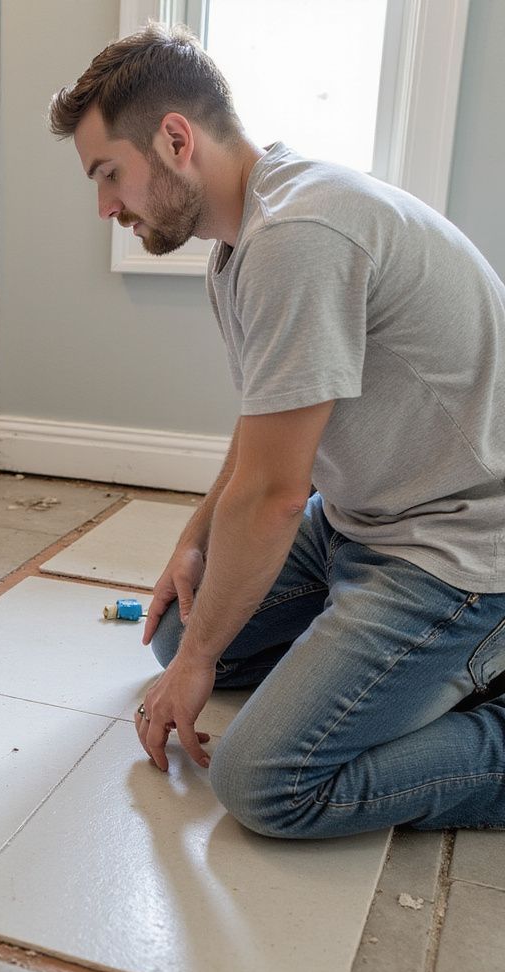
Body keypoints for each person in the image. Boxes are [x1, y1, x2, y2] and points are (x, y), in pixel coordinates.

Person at [48, 22, 505, 839]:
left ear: (175, 139)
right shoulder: (244, 242)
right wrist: (194, 543)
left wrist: (197, 666)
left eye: (109, 173)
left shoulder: (299, 236)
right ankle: (395, 660)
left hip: (460, 553)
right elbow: (267, 432)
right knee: (183, 630)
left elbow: (273, 496)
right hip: (366, 520)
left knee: (267, 782)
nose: (105, 205)